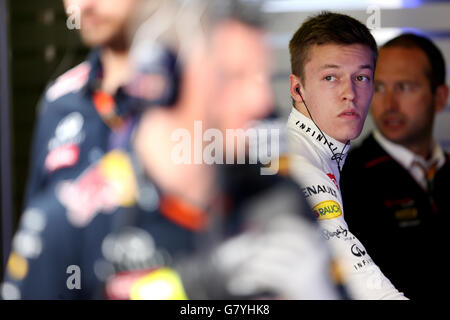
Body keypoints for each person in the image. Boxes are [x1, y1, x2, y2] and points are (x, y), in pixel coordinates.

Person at [2, 1, 344, 300]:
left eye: (260, 78)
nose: (261, 101)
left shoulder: (280, 202)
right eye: (233, 77)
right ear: (163, 79)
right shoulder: (68, 223)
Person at [285, 11, 407, 299]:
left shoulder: (323, 151)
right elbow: (357, 274)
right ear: (297, 88)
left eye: (361, 78)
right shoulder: (300, 161)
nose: (349, 93)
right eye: (330, 77)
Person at [340, 33, 450, 299]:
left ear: (440, 97)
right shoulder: (347, 178)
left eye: (405, 87)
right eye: (378, 88)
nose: (388, 104)